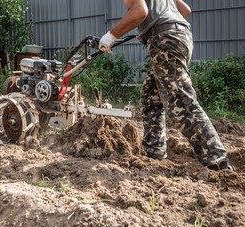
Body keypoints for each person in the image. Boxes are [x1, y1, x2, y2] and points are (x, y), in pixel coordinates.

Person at [99, 0, 232, 170]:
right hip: (179, 35)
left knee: (180, 101)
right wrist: (153, 28)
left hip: (165, 40)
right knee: (150, 98)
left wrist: (111, 35)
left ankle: (218, 161)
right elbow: (185, 10)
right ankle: (154, 153)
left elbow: (139, 11)